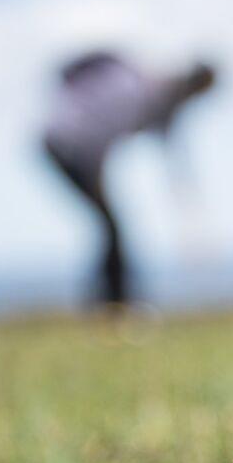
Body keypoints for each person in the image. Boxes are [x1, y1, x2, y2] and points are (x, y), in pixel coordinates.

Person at [42, 52, 216, 307]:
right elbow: (96, 131)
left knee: (110, 224)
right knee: (111, 225)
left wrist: (192, 220)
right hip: (68, 147)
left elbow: (174, 161)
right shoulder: (139, 90)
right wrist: (97, 174)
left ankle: (111, 299)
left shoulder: (161, 100)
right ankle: (113, 301)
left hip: (73, 148)